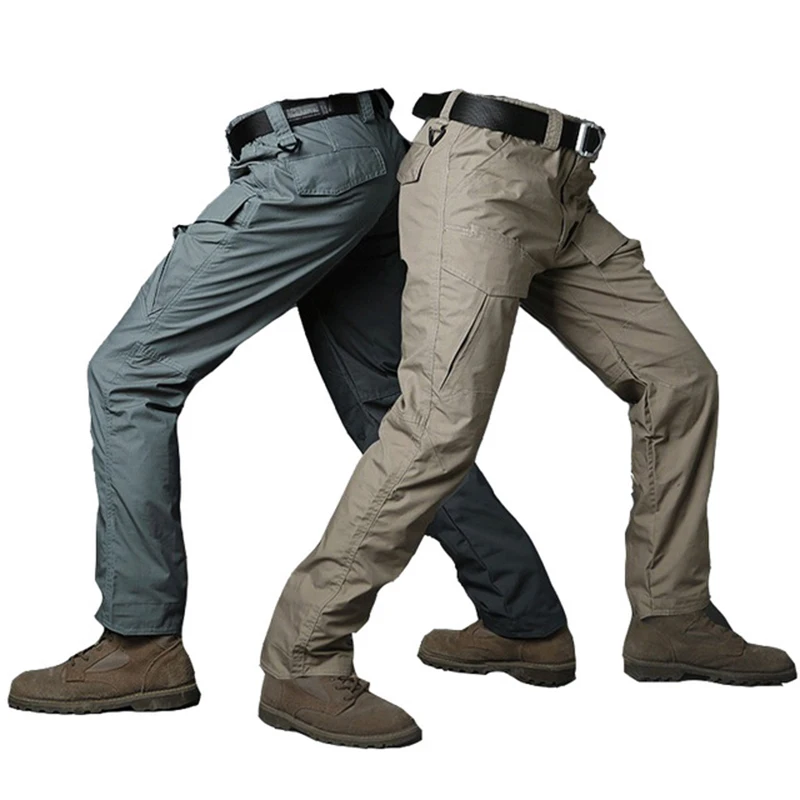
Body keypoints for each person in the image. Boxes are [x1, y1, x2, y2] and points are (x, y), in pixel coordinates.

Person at [8, 89, 575, 724]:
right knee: (394, 411)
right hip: (375, 153)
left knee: (129, 375)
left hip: (306, 161)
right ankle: (524, 620)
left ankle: (138, 644)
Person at [259, 89, 796, 748]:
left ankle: (672, 617)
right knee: (436, 427)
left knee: (680, 381)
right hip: (477, 175)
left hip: (563, 183)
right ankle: (304, 653)